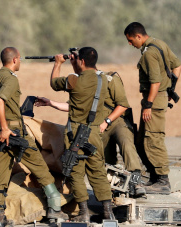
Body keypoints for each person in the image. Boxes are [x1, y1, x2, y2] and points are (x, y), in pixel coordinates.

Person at [0, 47, 67, 227]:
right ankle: (54, 209)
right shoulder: (10, 78)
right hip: (13, 132)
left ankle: (0, 218)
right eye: (20, 59)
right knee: (40, 168)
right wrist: (5, 127)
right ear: (15, 60)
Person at [36, 54, 145, 197]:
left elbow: (123, 105)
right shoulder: (82, 81)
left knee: (126, 143)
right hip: (97, 125)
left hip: (116, 121)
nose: (74, 65)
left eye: (76, 61)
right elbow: (73, 106)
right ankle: (113, 185)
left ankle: (136, 181)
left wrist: (107, 121)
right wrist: (51, 103)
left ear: (83, 62)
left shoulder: (109, 78)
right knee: (104, 158)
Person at [49, 47, 114, 223]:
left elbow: (54, 82)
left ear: (81, 61)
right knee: (98, 171)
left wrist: (58, 63)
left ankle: (84, 212)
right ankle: (108, 212)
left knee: (76, 172)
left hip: (75, 133)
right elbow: (86, 76)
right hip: (93, 132)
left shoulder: (74, 80)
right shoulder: (104, 80)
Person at [124, 22, 181, 194]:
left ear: (139, 36)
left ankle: (163, 181)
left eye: (130, 40)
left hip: (154, 102)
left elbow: (155, 82)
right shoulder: (160, 43)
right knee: (142, 141)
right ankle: (155, 178)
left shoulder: (149, 53)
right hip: (158, 98)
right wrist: (172, 88)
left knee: (153, 140)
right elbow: (177, 65)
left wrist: (148, 105)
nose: (130, 44)